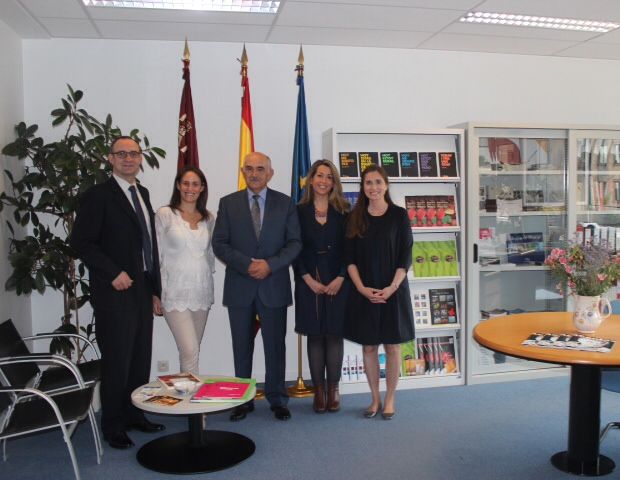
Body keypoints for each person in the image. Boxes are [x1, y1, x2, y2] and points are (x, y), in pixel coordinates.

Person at [70, 136, 165, 449]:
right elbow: (81, 243)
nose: (128, 159)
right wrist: (112, 273)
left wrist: (154, 290)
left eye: (134, 154)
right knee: (117, 361)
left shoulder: (142, 192)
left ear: (140, 159)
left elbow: (147, 248)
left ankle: (135, 415)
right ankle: (113, 425)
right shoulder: (98, 196)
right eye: (121, 154)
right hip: (114, 292)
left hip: (141, 289)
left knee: (139, 358)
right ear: (110, 159)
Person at [212, 152, 301, 421]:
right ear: (242, 171)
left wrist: (270, 265)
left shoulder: (285, 204)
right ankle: (243, 399)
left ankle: (277, 398)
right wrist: (248, 264)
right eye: (249, 169)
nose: (254, 173)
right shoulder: (228, 204)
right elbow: (220, 243)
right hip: (240, 284)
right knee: (242, 345)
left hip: (273, 284)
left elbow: (295, 243)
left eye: (260, 169)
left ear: (270, 173)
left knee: (275, 345)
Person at [344, 165, 414, 420]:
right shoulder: (355, 217)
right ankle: (374, 398)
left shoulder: (399, 216)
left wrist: (391, 288)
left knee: (393, 348)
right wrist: (362, 288)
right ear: (363, 188)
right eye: (368, 183)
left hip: (393, 290)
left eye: (377, 182)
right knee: (369, 348)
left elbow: (405, 257)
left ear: (386, 185)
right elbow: (349, 259)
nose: (373, 187)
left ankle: (391, 398)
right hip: (364, 292)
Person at [294, 160, 349, 413]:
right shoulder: (298, 211)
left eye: (329, 177)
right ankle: (318, 391)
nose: (324, 181)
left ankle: (334, 389)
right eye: (319, 175)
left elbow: (351, 248)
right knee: (315, 336)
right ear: (311, 179)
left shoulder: (345, 210)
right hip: (309, 279)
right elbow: (294, 248)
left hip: (338, 278)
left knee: (334, 335)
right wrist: (307, 278)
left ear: (334, 182)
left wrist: (340, 277)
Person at [155, 166, 215, 375]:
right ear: (179, 186)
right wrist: (155, 293)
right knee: (189, 350)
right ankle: (192, 404)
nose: (190, 188)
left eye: (195, 184)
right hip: (173, 294)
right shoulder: (165, 214)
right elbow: (157, 256)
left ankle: (186, 400)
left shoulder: (209, 218)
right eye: (186, 183)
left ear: (202, 188)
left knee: (191, 352)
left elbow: (209, 257)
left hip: (202, 293)